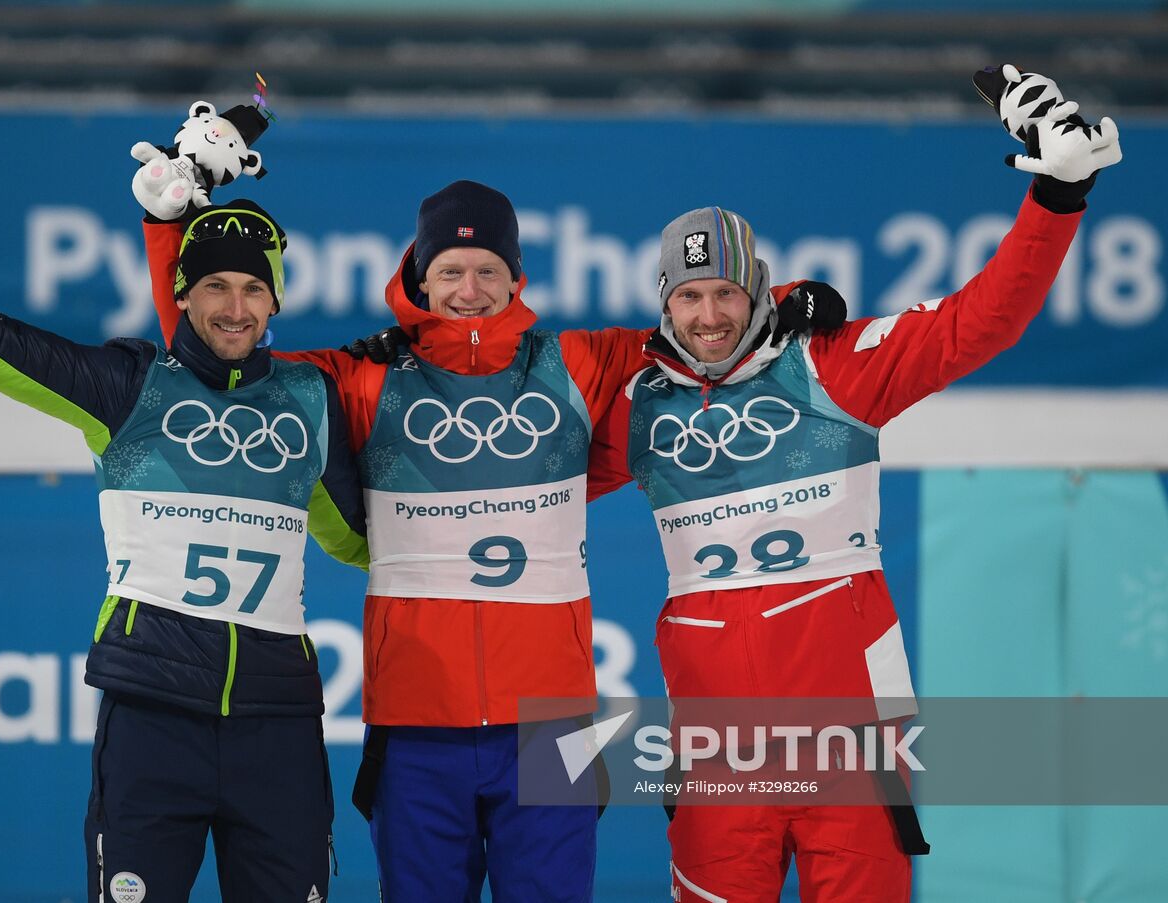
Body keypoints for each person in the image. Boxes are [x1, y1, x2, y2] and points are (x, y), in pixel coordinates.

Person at [142, 171, 846, 898]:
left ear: (517, 280)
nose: (468, 288)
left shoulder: (576, 362)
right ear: (419, 277)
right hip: (416, 726)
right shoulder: (360, 376)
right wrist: (168, 226)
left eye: (487, 270)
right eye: (449, 270)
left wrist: (791, 299)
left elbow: (705, 330)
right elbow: (211, 356)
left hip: (553, 726)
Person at [586, 71, 1121, 902]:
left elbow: (980, 322)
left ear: (757, 287)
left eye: (725, 291)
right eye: (689, 296)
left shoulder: (831, 365)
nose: (709, 315)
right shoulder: (639, 405)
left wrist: (1057, 195)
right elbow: (521, 486)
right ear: (664, 303)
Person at [0, 107, 367, 903]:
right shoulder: (130, 387)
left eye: (253, 289)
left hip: (279, 724)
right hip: (153, 718)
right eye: (214, 287)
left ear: (277, 302)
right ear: (182, 295)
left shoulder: (310, 400)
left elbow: (356, 539)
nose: (235, 307)